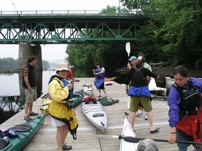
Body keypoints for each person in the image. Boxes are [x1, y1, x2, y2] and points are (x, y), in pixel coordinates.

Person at [167, 65, 202, 151]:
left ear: (187, 77)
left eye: (181, 79)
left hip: (197, 121)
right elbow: (173, 110)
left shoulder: (196, 83)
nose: (178, 82)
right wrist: (173, 132)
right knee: (182, 147)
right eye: (176, 79)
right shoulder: (173, 92)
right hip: (182, 123)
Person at [48, 62, 78, 151]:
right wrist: (67, 88)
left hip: (65, 109)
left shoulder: (63, 80)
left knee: (65, 128)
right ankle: (59, 148)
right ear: (58, 72)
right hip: (57, 110)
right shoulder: (54, 83)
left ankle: (62, 144)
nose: (64, 72)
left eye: (65, 71)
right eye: (62, 71)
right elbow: (57, 97)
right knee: (60, 129)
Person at [125, 59, 160, 133]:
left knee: (133, 111)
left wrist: (126, 90)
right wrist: (157, 76)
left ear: (135, 64)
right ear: (142, 64)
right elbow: (154, 75)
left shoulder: (131, 70)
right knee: (148, 110)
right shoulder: (145, 70)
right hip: (144, 92)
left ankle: (131, 128)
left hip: (134, 92)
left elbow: (127, 81)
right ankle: (151, 128)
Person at [137, 53, 152, 120]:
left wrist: (147, 82)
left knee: (146, 98)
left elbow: (149, 75)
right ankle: (139, 111)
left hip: (145, 85)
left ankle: (146, 113)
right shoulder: (137, 65)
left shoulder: (147, 66)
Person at [22, 55, 38, 121]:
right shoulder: (26, 68)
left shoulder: (32, 68)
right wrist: (29, 87)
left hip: (33, 87)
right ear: (31, 61)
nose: (36, 62)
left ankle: (30, 111)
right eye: (35, 61)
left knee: (31, 100)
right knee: (28, 101)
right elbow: (25, 78)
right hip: (29, 87)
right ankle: (26, 115)